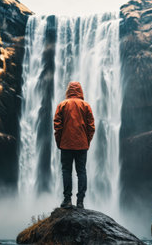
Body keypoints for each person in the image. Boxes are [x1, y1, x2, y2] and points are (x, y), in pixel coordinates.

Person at [54, 81, 95, 209]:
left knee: (66, 171)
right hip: (82, 145)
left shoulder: (62, 105)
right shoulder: (86, 106)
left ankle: (67, 199)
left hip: (66, 145)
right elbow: (91, 127)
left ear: (68, 91)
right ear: (80, 91)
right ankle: (80, 201)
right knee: (81, 171)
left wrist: (59, 141)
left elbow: (57, 126)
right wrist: (87, 141)